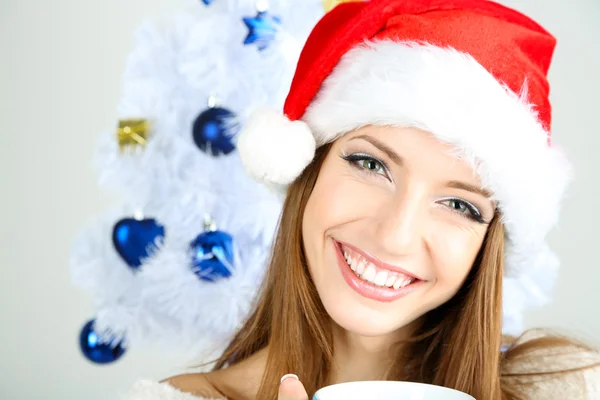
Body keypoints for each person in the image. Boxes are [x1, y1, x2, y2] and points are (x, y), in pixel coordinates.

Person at [124, 0, 600, 399]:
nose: (395, 236)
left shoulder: (570, 387)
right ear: (309, 169)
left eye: (460, 206)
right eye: (371, 165)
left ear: (487, 244)